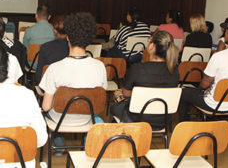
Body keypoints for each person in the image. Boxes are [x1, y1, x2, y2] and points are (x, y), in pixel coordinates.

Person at [39, 12, 107, 155]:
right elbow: (100, 100)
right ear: (89, 39)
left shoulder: (54, 68)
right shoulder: (100, 67)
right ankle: (86, 147)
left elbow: (46, 106)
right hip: (87, 118)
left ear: (68, 37)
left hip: (59, 120)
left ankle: (59, 147)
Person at [178, 18, 228, 121]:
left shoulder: (219, 56)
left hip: (215, 104)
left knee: (183, 93)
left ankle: (185, 125)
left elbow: (205, 84)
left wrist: (199, 90)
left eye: (226, 31)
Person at [110, 31, 179, 129]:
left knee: (115, 105)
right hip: (163, 120)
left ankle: (120, 138)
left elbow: (126, 93)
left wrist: (121, 93)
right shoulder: (175, 70)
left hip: (137, 119)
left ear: (152, 46)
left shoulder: (137, 68)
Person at [35, 15, 69, 84]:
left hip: (50, 87)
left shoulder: (45, 47)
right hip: (70, 88)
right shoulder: (76, 48)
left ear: (55, 31)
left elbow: (38, 77)